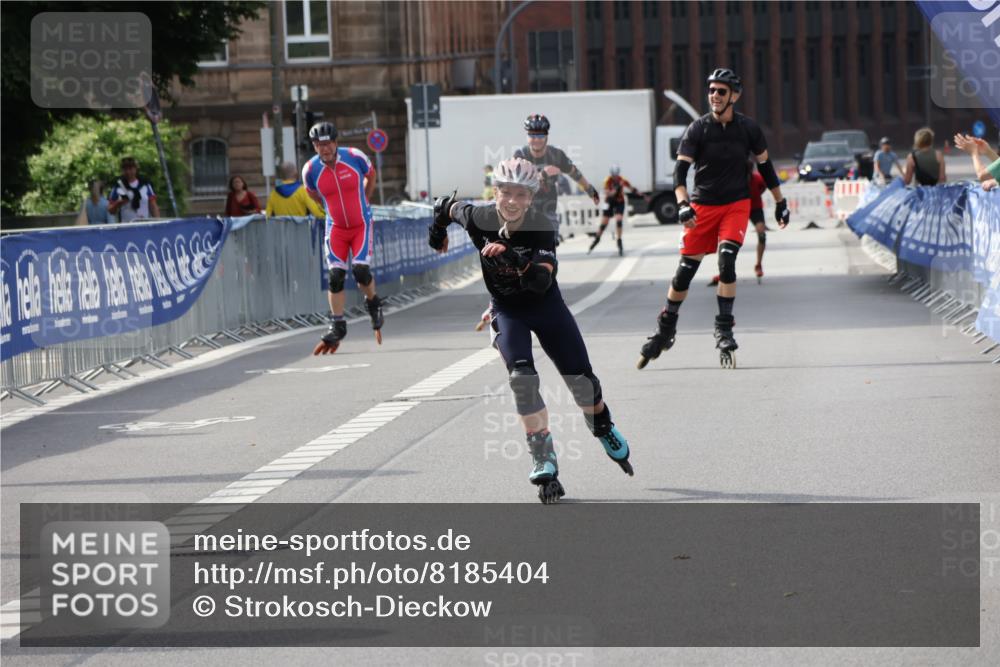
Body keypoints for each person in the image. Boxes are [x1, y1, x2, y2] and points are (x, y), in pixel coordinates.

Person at [428, 158, 634, 504]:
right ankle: (543, 457)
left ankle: (602, 427)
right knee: (522, 379)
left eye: (520, 194)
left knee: (584, 385)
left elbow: (541, 281)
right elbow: (444, 207)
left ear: (532, 196)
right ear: (495, 192)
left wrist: (514, 259)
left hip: (546, 308)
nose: (511, 200)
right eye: (505, 192)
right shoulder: (480, 218)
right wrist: (437, 234)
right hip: (508, 311)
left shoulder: (541, 226)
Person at [637, 68, 789, 370]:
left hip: (736, 204)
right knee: (684, 274)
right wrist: (682, 205)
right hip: (702, 206)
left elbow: (767, 168)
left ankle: (724, 329)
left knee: (727, 260)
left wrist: (780, 203)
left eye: (721, 91)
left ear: (735, 95)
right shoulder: (697, 129)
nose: (714, 96)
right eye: (711, 91)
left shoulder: (748, 129)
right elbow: (679, 174)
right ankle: (666, 328)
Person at [303, 121, 383, 354]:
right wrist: (329, 208)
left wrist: (365, 200)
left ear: (336, 143)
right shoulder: (310, 170)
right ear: (315, 147)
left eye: (327, 144)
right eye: (319, 145)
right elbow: (314, 194)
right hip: (336, 227)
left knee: (360, 271)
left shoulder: (354, 156)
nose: (324, 149)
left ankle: (374, 304)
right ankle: (337, 324)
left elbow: (371, 175)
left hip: (361, 224)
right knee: (336, 276)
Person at [513, 114, 601, 243]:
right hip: (525, 212)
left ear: (547, 137)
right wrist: (542, 175)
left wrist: (590, 190)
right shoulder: (520, 155)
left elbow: (574, 173)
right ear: (527, 136)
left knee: (549, 249)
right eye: (532, 135)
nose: (536, 139)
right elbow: (517, 185)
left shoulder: (556, 155)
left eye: (540, 136)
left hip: (548, 211)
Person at [708, 158, 768, 285]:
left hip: (755, 209)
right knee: (728, 242)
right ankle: (723, 270)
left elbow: (763, 187)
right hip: (738, 210)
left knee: (762, 235)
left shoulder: (757, 179)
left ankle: (758, 264)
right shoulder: (735, 181)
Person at [587, 164, 642, 256]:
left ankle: (619, 240)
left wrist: (640, 194)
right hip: (609, 201)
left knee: (619, 221)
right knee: (604, 223)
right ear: (611, 174)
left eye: (616, 175)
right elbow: (608, 193)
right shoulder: (607, 180)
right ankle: (597, 239)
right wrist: (616, 189)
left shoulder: (622, 180)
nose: (615, 177)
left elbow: (631, 188)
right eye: (614, 175)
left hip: (619, 202)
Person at [107, 157, 160, 222]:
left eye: (130, 169)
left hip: (144, 225)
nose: (128, 172)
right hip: (127, 227)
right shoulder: (118, 187)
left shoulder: (145, 185)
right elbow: (110, 210)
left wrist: (158, 223)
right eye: (125, 169)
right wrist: (119, 203)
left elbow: (153, 207)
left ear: (136, 169)